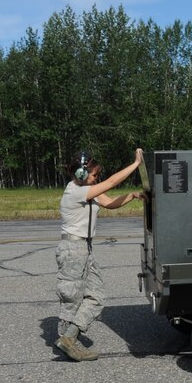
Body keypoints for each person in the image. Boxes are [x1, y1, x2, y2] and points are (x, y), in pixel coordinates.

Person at [55, 148, 145, 362]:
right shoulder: (75, 192)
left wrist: (132, 195)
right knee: (72, 299)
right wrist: (135, 164)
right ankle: (68, 341)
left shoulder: (88, 189)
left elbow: (109, 202)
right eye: (94, 175)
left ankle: (69, 339)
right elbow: (113, 182)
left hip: (85, 249)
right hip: (73, 250)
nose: (97, 179)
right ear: (81, 174)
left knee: (96, 296)